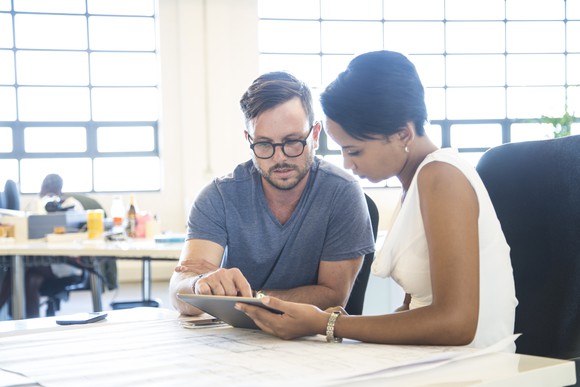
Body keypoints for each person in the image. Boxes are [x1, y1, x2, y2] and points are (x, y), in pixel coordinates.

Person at [236, 51, 518, 350]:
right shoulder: (417, 183)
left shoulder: (442, 178)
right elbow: (414, 314)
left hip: (474, 370)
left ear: (403, 134)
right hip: (435, 361)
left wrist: (325, 323)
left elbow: (456, 324)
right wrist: (340, 325)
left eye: (354, 150)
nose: (346, 163)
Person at [169, 71, 376, 316]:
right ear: (249, 140)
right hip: (237, 341)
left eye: (292, 141)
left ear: (315, 135)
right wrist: (198, 285)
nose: (280, 158)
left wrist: (243, 297)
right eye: (265, 144)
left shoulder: (342, 193)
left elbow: (332, 295)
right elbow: (181, 292)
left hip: (312, 340)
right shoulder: (218, 197)